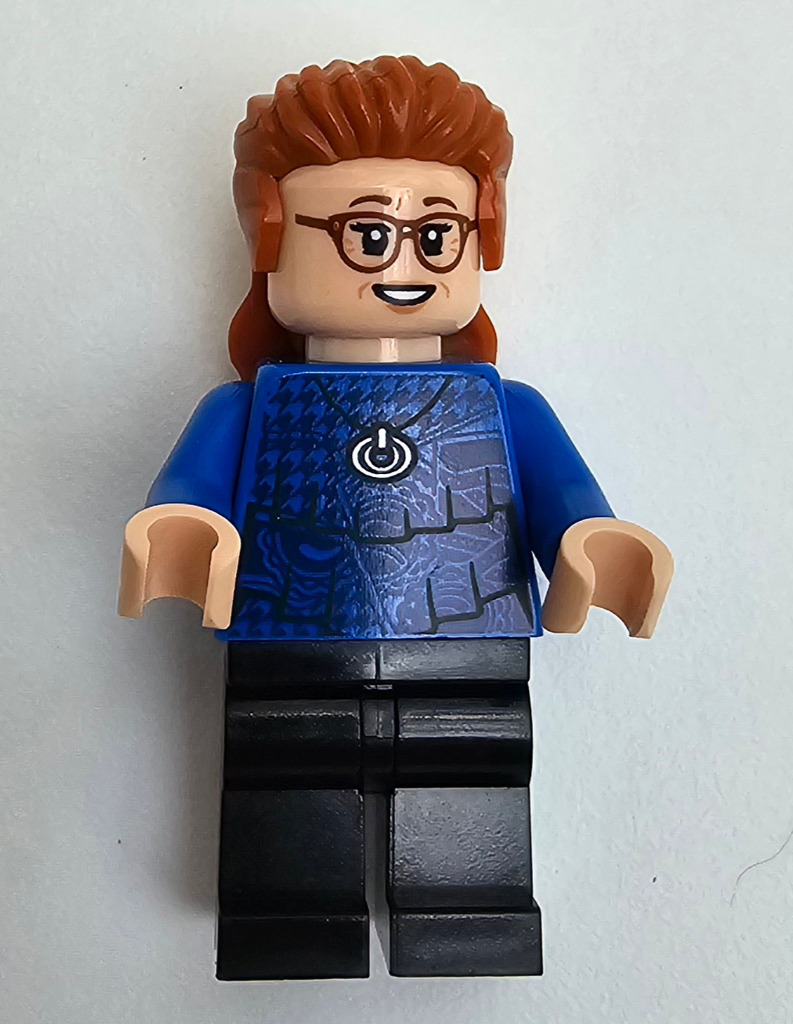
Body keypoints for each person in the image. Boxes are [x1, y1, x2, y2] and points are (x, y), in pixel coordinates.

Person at [118, 56, 673, 980]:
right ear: (271, 231)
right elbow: (189, 489)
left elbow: (563, 496)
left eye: (437, 235)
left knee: (472, 771)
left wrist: (588, 538)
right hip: (292, 632)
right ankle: (288, 916)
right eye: (367, 235)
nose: (403, 265)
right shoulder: (248, 407)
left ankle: (469, 912)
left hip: (469, 635)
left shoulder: (501, 406)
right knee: (283, 772)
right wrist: (182, 529)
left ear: (480, 236)